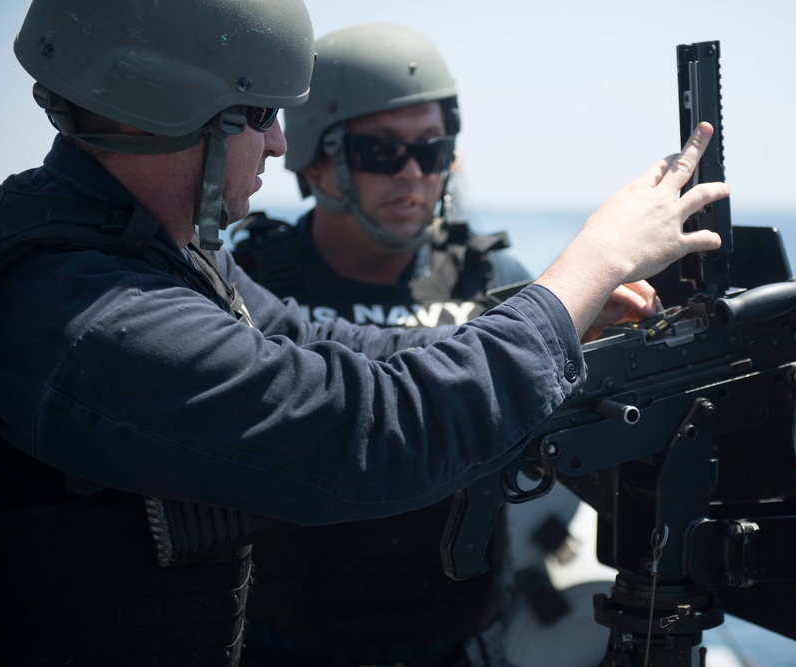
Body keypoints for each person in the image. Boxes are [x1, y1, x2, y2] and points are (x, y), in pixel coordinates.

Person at [0, 0, 726, 664]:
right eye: (257, 115)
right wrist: (591, 262)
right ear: (172, 111)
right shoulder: (86, 313)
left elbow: (329, 346)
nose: (280, 144)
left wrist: (559, 310)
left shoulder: (158, 253)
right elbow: (355, 430)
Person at [230, 24, 537, 667]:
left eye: (431, 151)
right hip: (284, 648)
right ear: (315, 158)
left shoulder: (493, 282)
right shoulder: (253, 284)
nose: (412, 174)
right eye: (379, 151)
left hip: (459, 647)